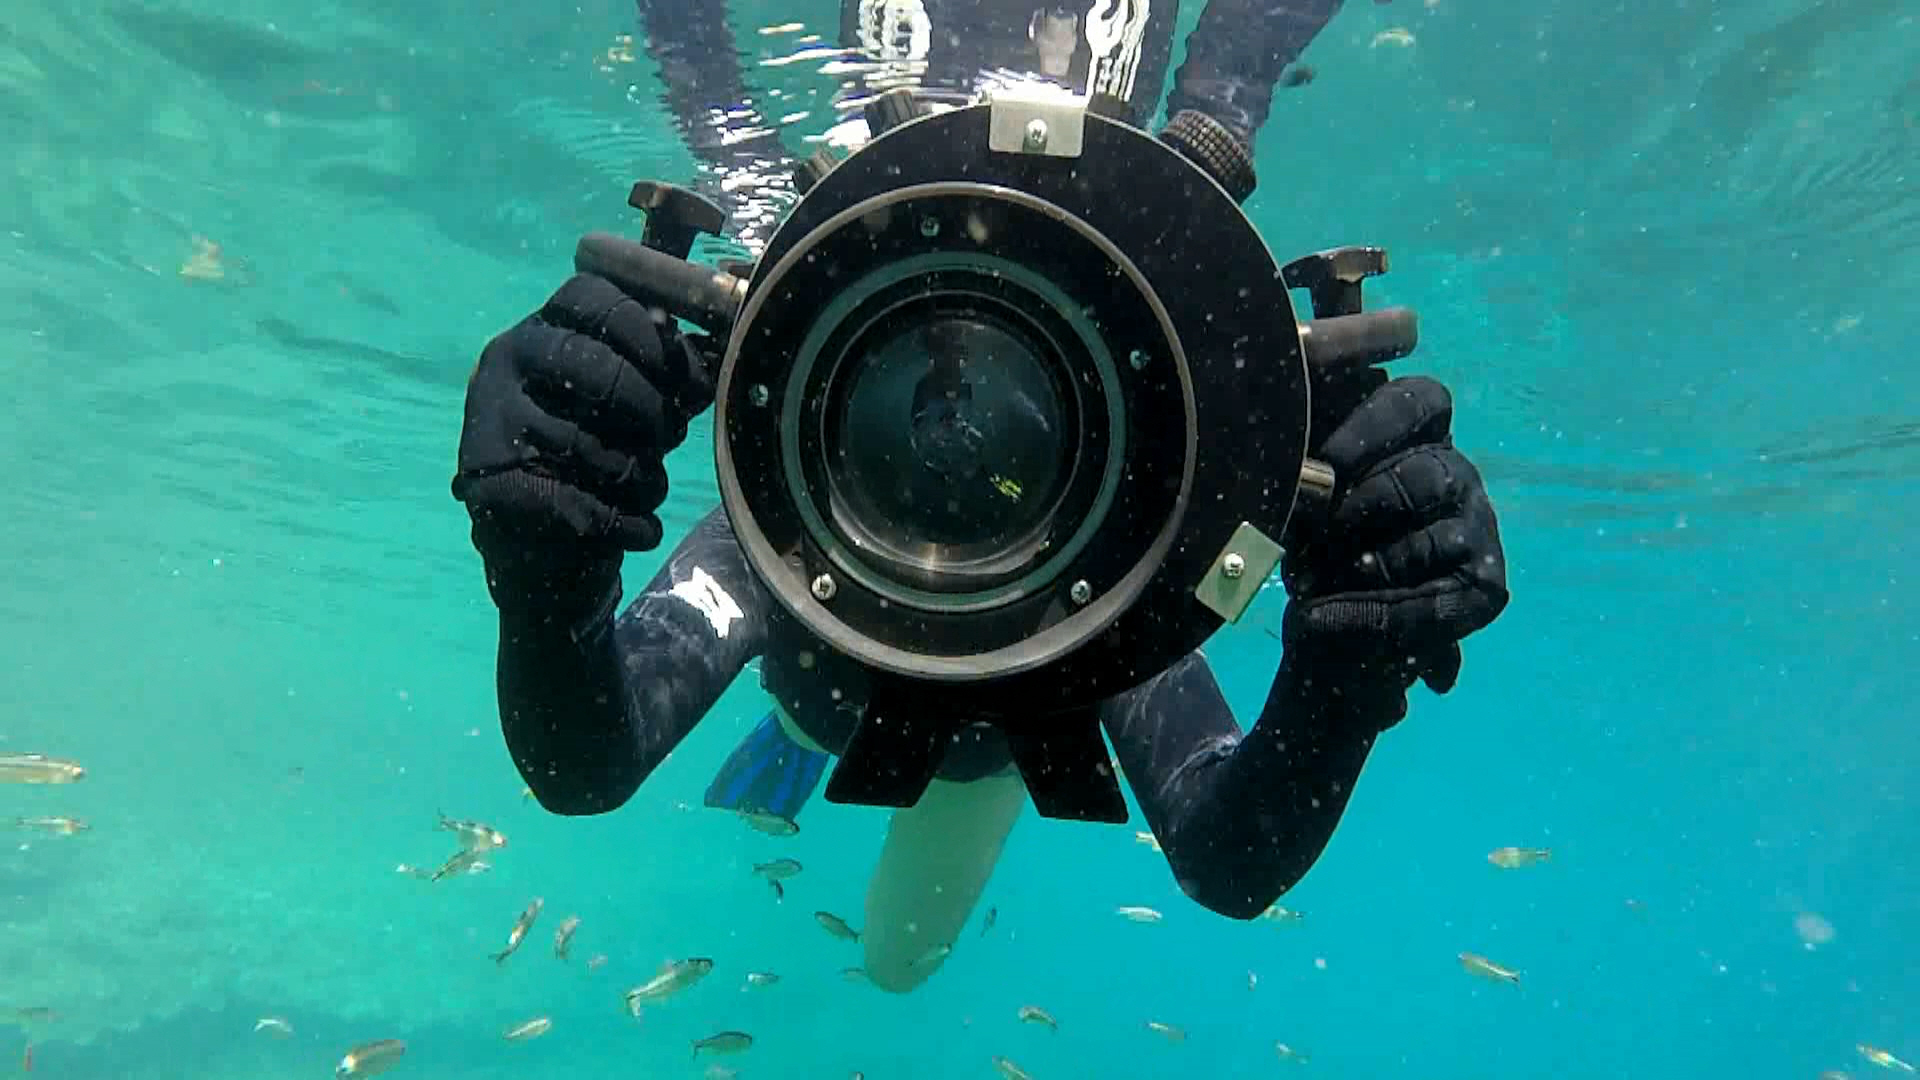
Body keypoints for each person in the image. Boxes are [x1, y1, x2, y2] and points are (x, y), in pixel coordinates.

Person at [453, 0, 1511, 994]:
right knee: (880, 911)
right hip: (896, 687)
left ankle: (799, 740)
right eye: (913, 350)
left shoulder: (1111, 548)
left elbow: (1232, 854)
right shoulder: (1088, 563)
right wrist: (549, 556)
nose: (952, 425)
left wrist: (1347, 665)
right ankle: (791, 738)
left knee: (895, 966)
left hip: (980, 759)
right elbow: (583, 759)